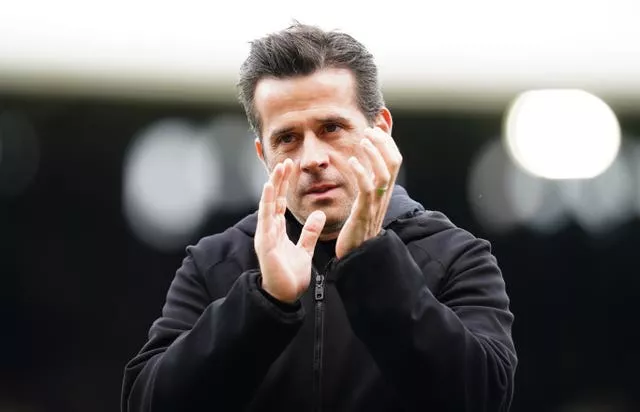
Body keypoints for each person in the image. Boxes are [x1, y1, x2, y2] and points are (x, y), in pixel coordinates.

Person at [121, 23, 517, 411]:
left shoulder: (457, 257)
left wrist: (372, 263)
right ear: (263, 155)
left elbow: (483, 398)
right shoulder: (213, 264)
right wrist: (265, 303)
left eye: (331, 128)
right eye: (287, 138)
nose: (312, 159)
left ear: (380, 129)